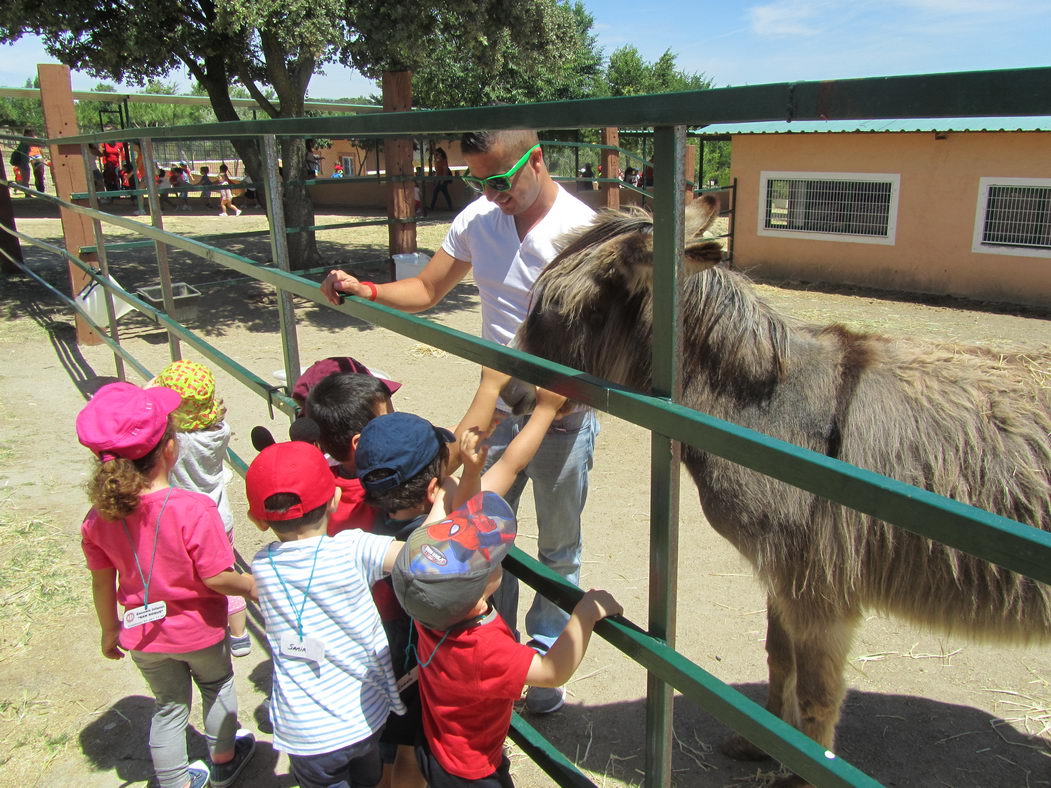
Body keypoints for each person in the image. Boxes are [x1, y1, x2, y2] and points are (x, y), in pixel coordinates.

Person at [321, 129, 599, 715]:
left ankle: (544, 660)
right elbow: (426, 288)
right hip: (496, 400)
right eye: (479, 180)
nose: (491, 192)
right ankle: (490, 651)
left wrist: (561, 397)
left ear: (538, 161)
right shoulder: (479, 220)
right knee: (479, 530)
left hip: (560, 410)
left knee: (558, 542)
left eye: (501, 180)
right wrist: (364, 288)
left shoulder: (583, 232)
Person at [352, 376, 566, 788]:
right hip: (457, 692)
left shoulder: (372, 518)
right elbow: (509, 465)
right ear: (434, 485)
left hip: (405, 662)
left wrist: (464, 474)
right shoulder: (448, 536)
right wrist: (546, 409)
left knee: (402, 748)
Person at [76, 382, 257, 788]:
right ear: (171, 449)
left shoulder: (96, 519)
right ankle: (224, 760)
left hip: (144, 636)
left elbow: (103, 584)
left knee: (170, 707)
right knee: (217, 685)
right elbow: (216, 577)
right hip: (200, 632)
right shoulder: (194, 509)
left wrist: (110, 629)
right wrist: (250, 585)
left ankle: (175, 781)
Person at [391, 491, 622, 786]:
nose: (490, 556)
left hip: (435, 744)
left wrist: (442, 501)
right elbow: (553, 671)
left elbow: (423, 548)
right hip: (474, 772)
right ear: (474, 599)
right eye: (486, 561)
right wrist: (585, 613)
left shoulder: (427, 609)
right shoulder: (483, 646)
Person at [246, 440, 406, 788]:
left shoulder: (263, 566)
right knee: (369, 779)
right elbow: (415, 557)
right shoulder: (353, 547)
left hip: (307, 734)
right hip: (365, 716)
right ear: (335, 498)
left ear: (257, 520)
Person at [150, 360, 250, 657]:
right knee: (226, 573)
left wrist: (154, 390)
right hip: (220, 517)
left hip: (184, 522)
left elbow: (150, 411)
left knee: (192, 579)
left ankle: (200, 632)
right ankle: (241, 634)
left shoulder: (174, 441)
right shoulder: (220, 431)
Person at [299, 362, 400, 536]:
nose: (398, 422)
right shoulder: (389, 480)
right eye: (390, 420)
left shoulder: (321, 476)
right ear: (360, 443)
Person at [428, 147, 453, 211]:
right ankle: (450, 207)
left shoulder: (443, 160)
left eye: (437, 154)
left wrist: (442, 180)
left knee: (436, 192)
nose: (435, 156)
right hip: (439, 179)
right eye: (435, 154)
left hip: (442, 180)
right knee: (444, 193)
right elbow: (437, 172)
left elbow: (445, 171)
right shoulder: (437, 161)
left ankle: (432, 207)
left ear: (441, 154)